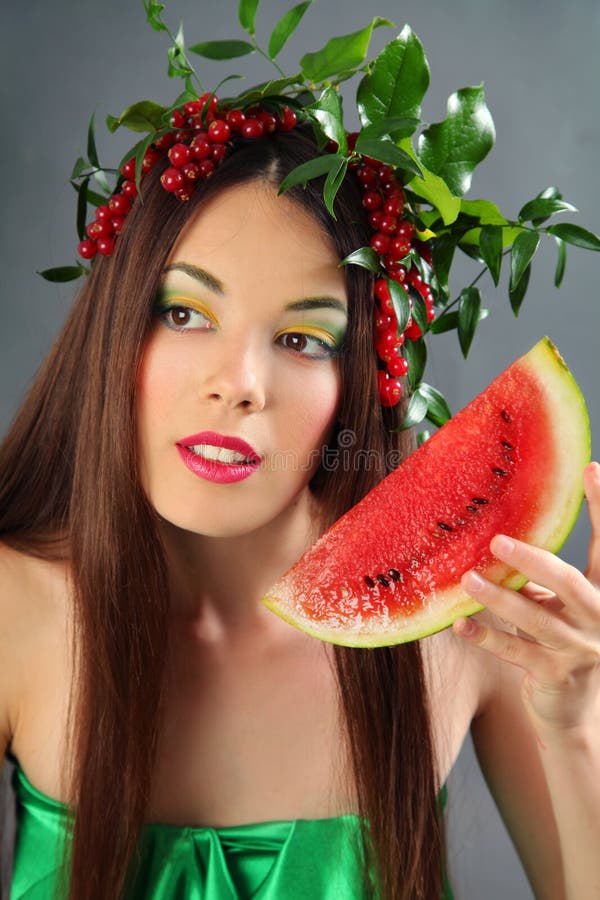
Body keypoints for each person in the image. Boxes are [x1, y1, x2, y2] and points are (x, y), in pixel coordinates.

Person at [1, 9, 600, 900]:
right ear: (113, 328)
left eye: (306, 340)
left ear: (365, 378)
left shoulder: (468, 626)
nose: (238, 383)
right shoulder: (15, 611)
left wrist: (576, 721)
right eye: (184, 313)